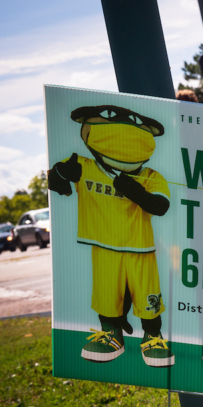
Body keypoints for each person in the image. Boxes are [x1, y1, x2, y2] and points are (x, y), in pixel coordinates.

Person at [47, 105, 174, 367]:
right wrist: (60, 174)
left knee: (147, 294)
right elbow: (54, 181)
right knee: (106, 293)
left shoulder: (151, 177)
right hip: (103, 245)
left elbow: (160, 206)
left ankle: (152, 336)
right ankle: (111, 334)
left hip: (140, 248)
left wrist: (131, 189)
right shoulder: (84, 167)